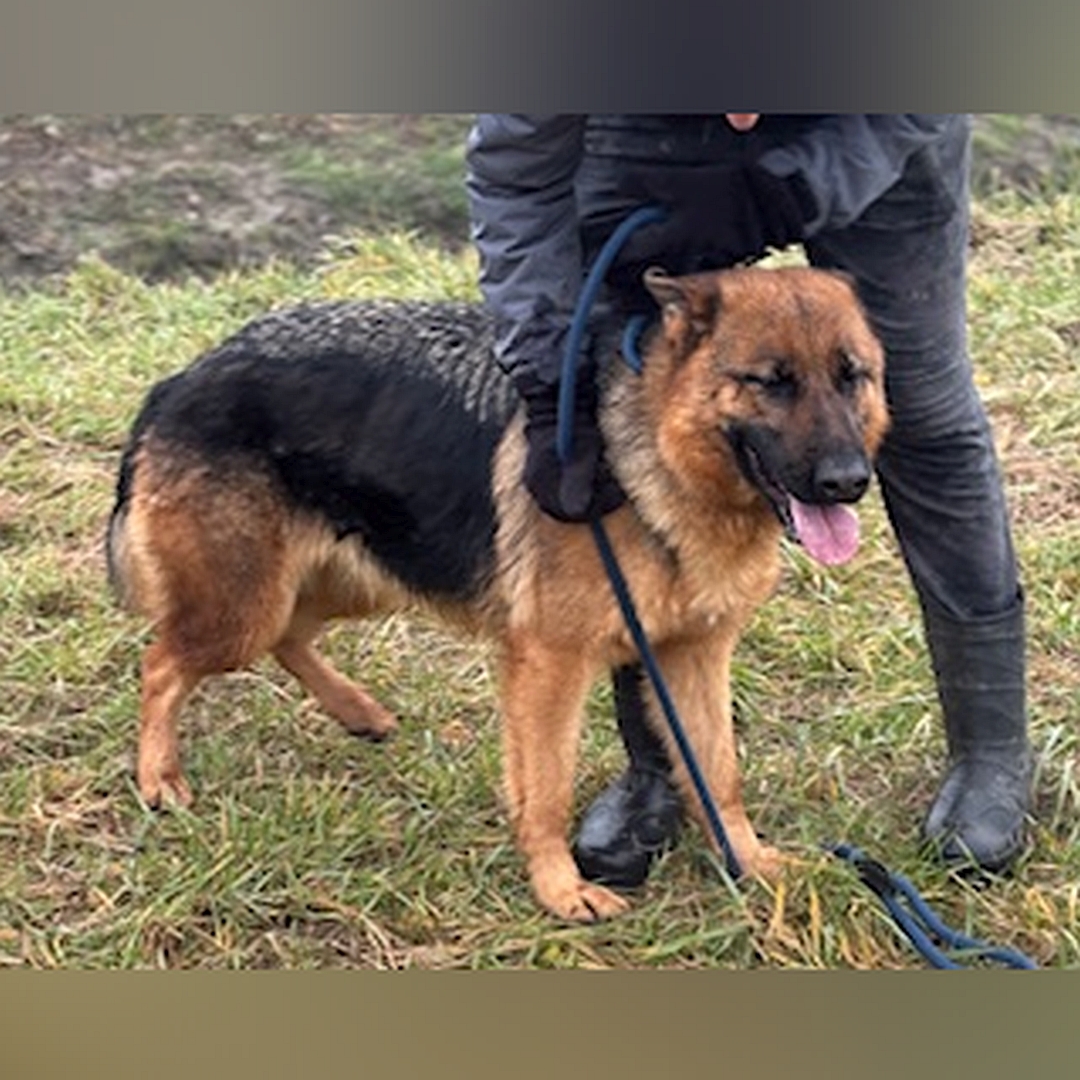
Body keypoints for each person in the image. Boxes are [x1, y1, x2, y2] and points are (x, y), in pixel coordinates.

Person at [464, 113, 1030, 886]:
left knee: (925, 409)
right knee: (622, 382)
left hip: (874, 109)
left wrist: (797, 185)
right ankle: (658, 771)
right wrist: (541, 377)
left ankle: (990, 751)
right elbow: (517, 169)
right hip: (644, 135)